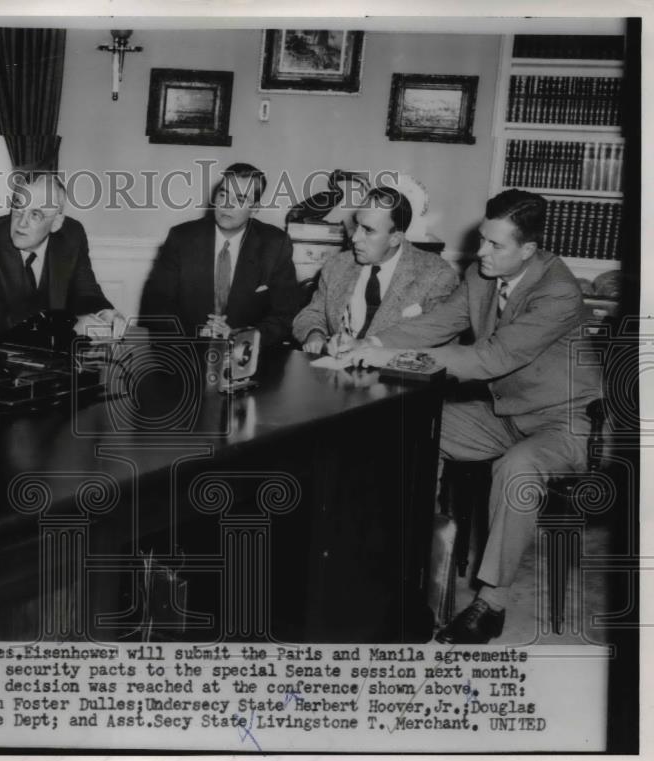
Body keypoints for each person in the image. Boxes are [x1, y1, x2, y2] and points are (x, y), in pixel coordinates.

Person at [344, 189, 601, 644]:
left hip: (560, 421)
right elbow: (441, 320)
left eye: (495, 245)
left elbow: (493, 357)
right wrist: (374, 345)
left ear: (529, 250)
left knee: (517, 468)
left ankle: (492, 604)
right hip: (502, 413)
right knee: (413, 429)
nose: (480, 251)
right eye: (482, 238)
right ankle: (403, 563)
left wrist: (400, 357)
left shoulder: (558, 290)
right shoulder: (482, 274)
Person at [140, 162, 299, 346]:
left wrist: (239, 336)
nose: (227, 205)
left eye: (240, 199)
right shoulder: (181, 238)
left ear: (255, 207)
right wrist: (199, 331)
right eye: (223, 194)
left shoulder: (275, 244)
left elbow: (285, 316)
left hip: (246, 356)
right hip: (186, 350)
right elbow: (154, 305)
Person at [293, 186, 459, 355]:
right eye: (356, 225)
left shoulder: (437, 275)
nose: (355, 238)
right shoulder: (337, 265)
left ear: (395, 238)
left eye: (368, 230)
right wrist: (314, 334)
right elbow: (313, 313)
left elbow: (443, 343)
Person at [0, 172, 126, 340]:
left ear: (56, 223)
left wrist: (104, 314)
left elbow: (86, 292)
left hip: (54, 354)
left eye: (35, 214)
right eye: (18, 207)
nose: (21, 222)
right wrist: (70, 326)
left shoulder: (72, 236)